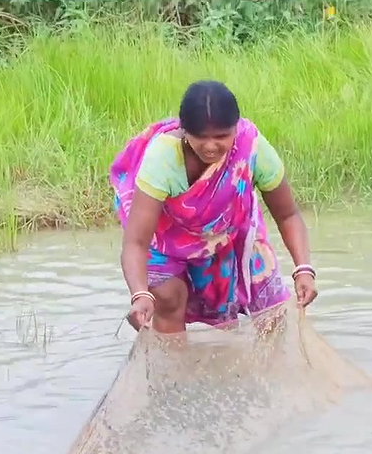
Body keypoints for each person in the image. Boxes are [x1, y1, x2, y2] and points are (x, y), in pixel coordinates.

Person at [111, 80, 318, 334]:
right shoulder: (163, 159)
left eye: (221, 136)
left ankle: (264, 360)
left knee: (271, 310)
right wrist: (140, 294)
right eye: (200, 137)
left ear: (236, 128)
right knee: (168, 297)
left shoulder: (251, 147)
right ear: (184, 130)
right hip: (167, 238)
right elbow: (136, 242)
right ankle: (174, 360)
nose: (210, 146)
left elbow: (288, 215)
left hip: (230, 233)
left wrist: (303, 269)